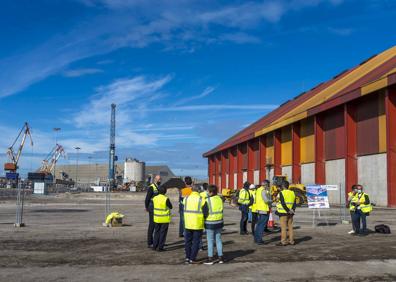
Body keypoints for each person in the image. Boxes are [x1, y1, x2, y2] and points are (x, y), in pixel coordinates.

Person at [183, 184, 209, 264]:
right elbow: (206, 212)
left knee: (188, 241)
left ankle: (187, 257)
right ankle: (192, 258)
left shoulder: (186, 198)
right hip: (197, 224)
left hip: (187, 223)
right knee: (196, 242)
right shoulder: (201, 199)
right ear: (198, 190)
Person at [204, 185, 224, 265]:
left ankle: (210, 258)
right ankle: (220, 258)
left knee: (210, 241)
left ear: (211, 192)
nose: (207, 192)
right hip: (219, 222)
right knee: (218, 240)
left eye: (208, 191)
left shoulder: (207, 200)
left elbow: (205, 212)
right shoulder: (220, 199)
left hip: (210, 222)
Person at [152, 186, 173, 251]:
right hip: (164, 218)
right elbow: (171, 206)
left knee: (156, 232)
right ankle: (160, 247)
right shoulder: (166, 198)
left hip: (157, 218)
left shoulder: (154, 198)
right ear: (165, 192)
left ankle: (154, 246)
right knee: (163, 233)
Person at [275, 181, 296, 246]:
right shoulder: (292, 193)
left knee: (283, 228)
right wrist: (292, 210)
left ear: (283, 186)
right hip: (291, 213)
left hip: (283, 212)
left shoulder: (281, 193)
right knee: (290, 227)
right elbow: (294, 203)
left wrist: (287, 210)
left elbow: (283, 203)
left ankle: (283, 241)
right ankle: (291, 241)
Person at [254, 180, 273, 244]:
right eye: (268, 185)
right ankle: (259, 240)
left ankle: (256, 239)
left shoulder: (258, 190)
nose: (268, 186)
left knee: (259, 225)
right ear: (266, 185)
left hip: (259, 209)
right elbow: (266, 200)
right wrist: (272, 201)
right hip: (264, 210)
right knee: (262, 225)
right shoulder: (263, 191)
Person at [145, 175, 161, 248]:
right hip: (152, 208)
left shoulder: (159, 187)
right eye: (158, 179)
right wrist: (146, 207)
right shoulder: (151, 187)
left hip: (157, 208)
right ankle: (150, 242)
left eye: (160, 179)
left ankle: (156, 241)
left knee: (157, 225)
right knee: (152, 225)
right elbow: (147, 198)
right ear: (155, 179)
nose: (160, 180)